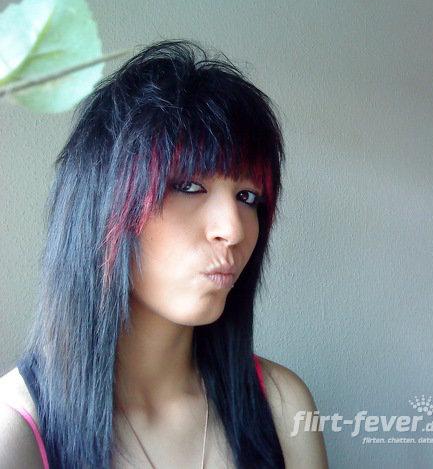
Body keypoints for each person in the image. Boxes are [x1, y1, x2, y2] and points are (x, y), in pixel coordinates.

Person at [0, 40, 328, 468]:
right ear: (102, 204)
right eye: (188, 186)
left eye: (248, 196)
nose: (232, 230)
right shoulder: (16, 432)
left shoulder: (283, 405)